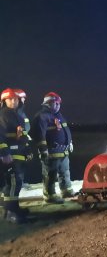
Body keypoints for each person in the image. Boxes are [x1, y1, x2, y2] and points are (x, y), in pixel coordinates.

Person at [31, 92, 74, 204]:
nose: (58, 106)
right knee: (50, 174)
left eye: (59, 103)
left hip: (63, 151)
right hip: (50, 152)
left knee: (65, 172)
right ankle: (49, 196)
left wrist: (70, 143)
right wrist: (43, 149)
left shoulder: (59, 115)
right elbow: (39, 135)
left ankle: (66, 191)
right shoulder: (41, 116)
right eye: (56, 103)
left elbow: (66, 131)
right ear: (48, 103)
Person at [0, 88, 31, 223]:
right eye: (10, 99)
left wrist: (27, 150)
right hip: (10, 155)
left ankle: (12, 209)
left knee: (16, 183)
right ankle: (11, 212)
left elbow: (24, 136)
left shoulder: (19, 115)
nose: (13, 101)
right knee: (13, 182)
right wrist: (5, 153)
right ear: (4, 101)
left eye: (15, 99)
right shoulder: (3, 115)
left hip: (19, 154)